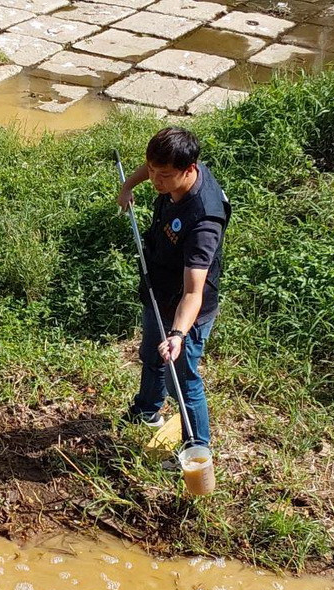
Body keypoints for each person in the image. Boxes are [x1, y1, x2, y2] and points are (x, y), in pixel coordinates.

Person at [117, 126, 231, 449]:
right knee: (151, 353)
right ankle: (148, 410)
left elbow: (193, 293)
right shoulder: (172, 166)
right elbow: (153, 165)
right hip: (160, 289)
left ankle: (197, 447)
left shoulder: (204, 222)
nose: (155, 181)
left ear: (189, 170)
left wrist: (179, 335)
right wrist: (128, 185)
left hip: (189, 310)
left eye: (164, 176)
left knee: (181, 377)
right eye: (152, 171)